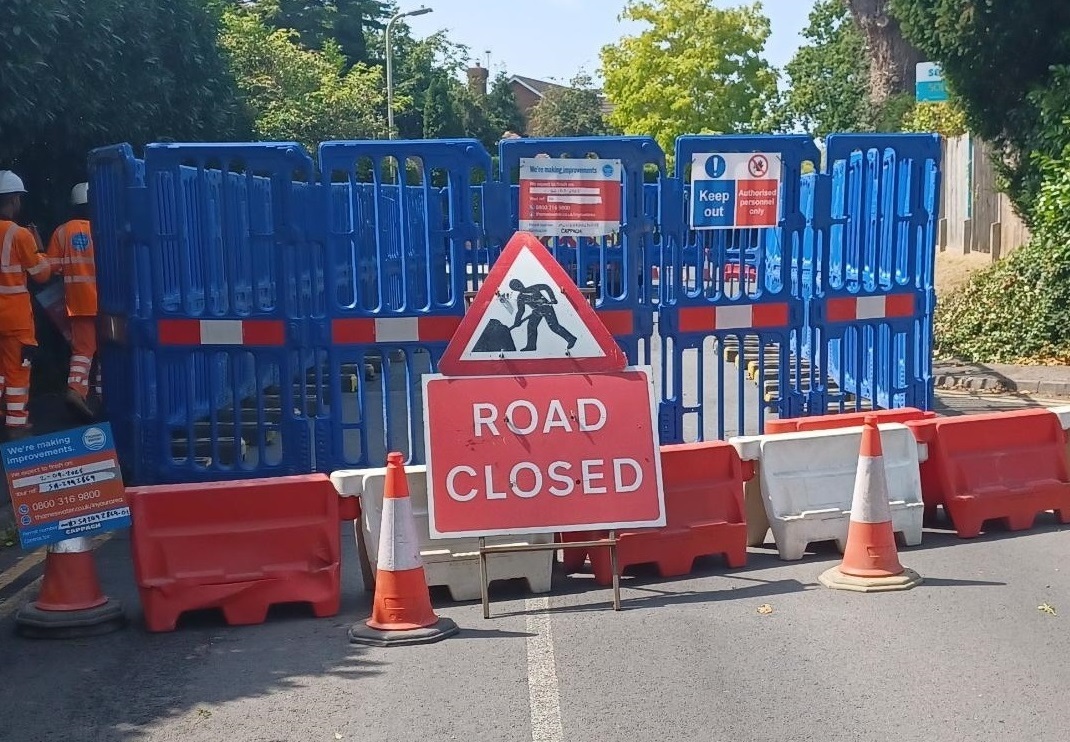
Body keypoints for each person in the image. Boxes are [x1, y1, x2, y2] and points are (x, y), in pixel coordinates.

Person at [0, 170, 52, 440]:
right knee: (17, 370)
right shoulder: (20, 235)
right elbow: (41, 275)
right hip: (15, 318)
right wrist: (40, 249)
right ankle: (16, 423)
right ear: (13, 200)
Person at [47, 182, 98, 419]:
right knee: (108, 349)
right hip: (108, 302)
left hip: (77, 301)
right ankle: (94, 393)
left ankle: (77, 389)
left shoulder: (61, 231)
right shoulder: (102, 228)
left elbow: (51, 268)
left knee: (83, 349)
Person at [508, 278, 578, 352]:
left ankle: (571, 338)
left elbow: (546, 287)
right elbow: (521, 311)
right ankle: (531, 346)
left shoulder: (533, 288)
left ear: (521, 282)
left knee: (554, 326)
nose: (518, 286)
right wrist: (517, 321)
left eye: (518, 283)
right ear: (514, 289)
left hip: (546, 307)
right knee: (531, 326)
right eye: (515, 286)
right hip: (536, 311)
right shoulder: (520, 298)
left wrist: (552, 298)